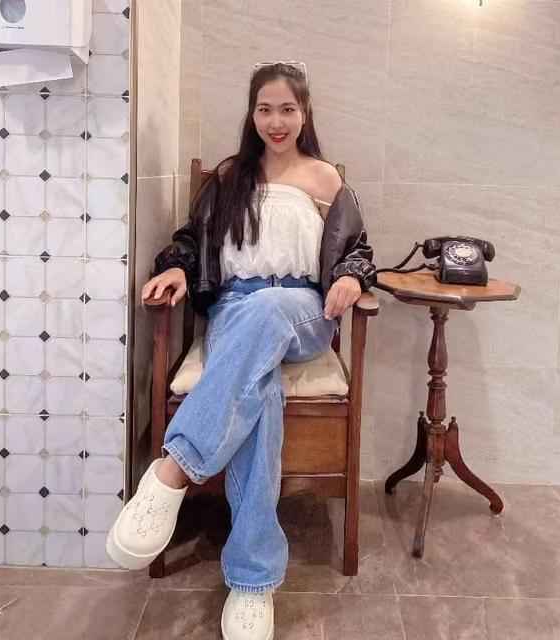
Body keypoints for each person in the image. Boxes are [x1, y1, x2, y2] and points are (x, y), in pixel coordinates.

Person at [106, 62, 375, 640]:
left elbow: (358, 248)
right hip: (234, 308)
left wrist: (352, 277)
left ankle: (172, 470)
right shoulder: (229, 176)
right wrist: (178, 270)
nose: (277, 121)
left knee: (270, 311)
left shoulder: (326, 178)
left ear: (304, 113)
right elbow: (191, 239)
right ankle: (253, 583)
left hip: (302, 309)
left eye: (288, 109)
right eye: (265, 109)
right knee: (262, 393)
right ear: (251, 114)